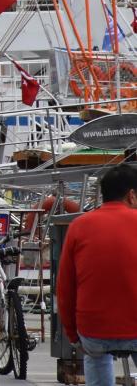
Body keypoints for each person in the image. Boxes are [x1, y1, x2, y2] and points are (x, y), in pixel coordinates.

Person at [56, 163, 137, 386]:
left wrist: (73, 335)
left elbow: (65, 288)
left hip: (93, 330)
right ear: (131, 195)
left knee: (95, 357)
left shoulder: (79, 226)